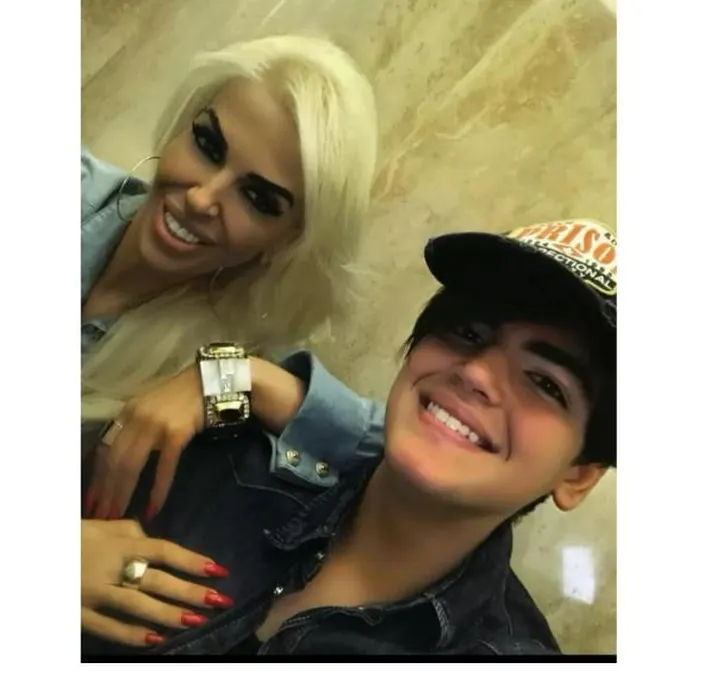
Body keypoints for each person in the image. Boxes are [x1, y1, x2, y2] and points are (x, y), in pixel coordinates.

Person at [81, 218, 617, 655]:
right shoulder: (217, 458)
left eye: (546, 383)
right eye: (467, 332)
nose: (476, 372)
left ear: (579, 474)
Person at [81, 35, 378, 519]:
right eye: (207, 145)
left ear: (287, 241)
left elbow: (387, 463)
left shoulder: (223, 363)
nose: (201, 199)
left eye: (257, 198)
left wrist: (232, 378)